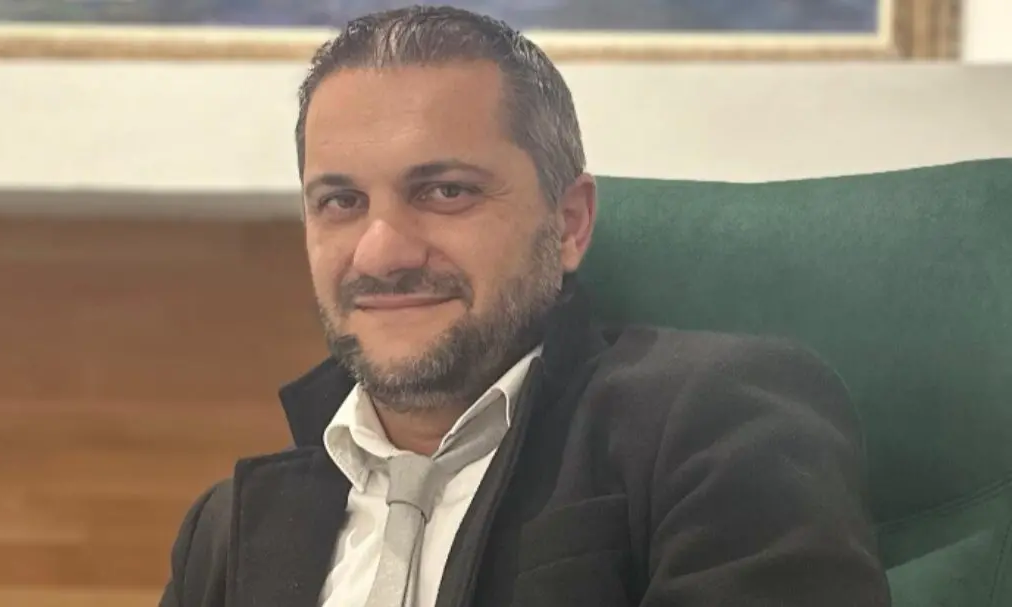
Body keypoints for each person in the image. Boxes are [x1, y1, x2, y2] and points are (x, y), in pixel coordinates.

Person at [158, 5, 891, 607]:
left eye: (445, 191)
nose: (380, 253)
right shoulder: (225, 530)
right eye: (341, 201)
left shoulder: (718, 423)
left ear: (568, 223)